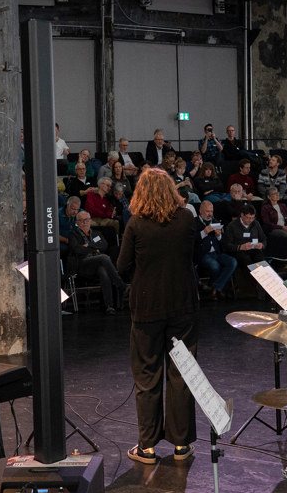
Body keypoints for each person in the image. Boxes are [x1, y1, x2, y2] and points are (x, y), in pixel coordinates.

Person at [116, 167, 198, 465]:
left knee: (148, 376)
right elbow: (197, 256)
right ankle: (181, 446)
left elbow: (122, 267)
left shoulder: (136, 224)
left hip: (147, 309)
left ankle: (147, 447)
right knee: (182, 375)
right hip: (182, 307)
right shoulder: (187, 218)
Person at [70, 210, 127, 314]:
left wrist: (88, 246)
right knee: (104, 257)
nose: (84, 222)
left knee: (103, 272)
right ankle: (120, 284)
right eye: (81, 220)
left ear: (90, 221)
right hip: (83, 264)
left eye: (86, 220)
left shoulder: (97, 233)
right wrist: (94, 248)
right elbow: (77, 250)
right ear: (77, 222)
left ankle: (109, 306)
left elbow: (104, 246)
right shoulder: (74, 235)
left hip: (97, 263)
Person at [195, 201, 237, 300]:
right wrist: (204, 232)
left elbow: (224, 242)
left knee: (233, 262)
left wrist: (219, 236)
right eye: (207, 211)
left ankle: (215, 287)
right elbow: (192, 239)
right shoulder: (194, 222)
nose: (210, 214)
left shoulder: (215, 221)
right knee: (215, 265)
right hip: (203, 254)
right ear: (200, 211)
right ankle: (218, 289)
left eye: (211, 211)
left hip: (217, 252)